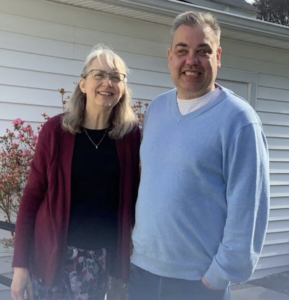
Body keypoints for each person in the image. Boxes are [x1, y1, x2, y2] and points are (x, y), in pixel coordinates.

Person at [129, 11, 270, 300]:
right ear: (170, 56)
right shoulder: (156, 110)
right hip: (142, 272)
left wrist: (218, 277)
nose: (191, 60)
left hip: (197, 284)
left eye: (202, 51)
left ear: (218, 56)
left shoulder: (239, 120)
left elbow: (248, 210)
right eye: (182, 50)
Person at [11, 44, 140, 300]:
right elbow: (30, 199)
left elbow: (135, 196)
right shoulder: (55, 132)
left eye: (116, 77)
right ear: (83, 84)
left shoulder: (130, 137)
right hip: (52, 257)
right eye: (99, 75)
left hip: (101, 260)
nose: (108, 82)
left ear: (123, 88)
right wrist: (19, 266)